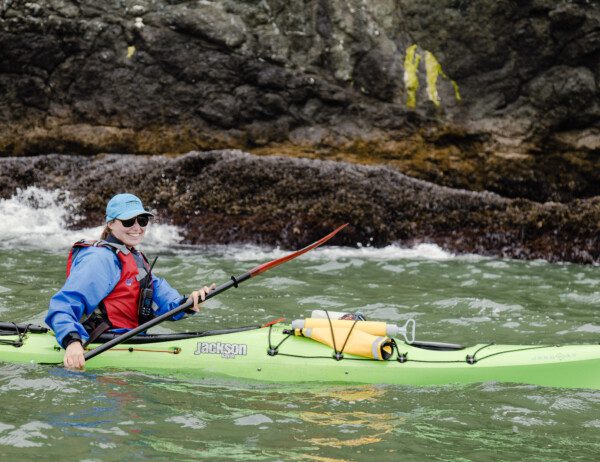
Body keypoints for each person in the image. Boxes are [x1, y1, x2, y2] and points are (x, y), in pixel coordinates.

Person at [45, 193, 215, 370]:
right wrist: (72, 342)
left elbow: (163, 298)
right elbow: (64, 304)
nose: (137, 227)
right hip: (102, 342)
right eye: (128, 221)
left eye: (142, 220)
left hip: (127, 340)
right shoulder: (100, 259)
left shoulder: (134, 257)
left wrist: (189, 302)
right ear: (110, 223)